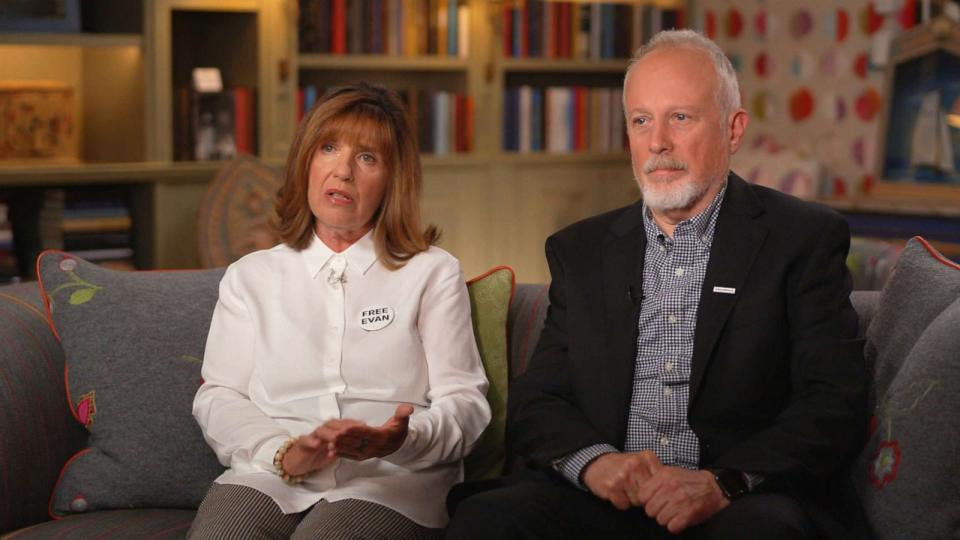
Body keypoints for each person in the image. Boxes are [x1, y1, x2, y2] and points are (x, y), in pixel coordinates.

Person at [446, 30, 867, 539]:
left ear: (733, 131)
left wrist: (722, 483)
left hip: (737, 501)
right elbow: (540, 401)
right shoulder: (581, 251)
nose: (657, 142)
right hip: (605, 501)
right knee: (487, 520)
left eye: (680, 118)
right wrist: (596, 465)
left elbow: (832, 401)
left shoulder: (802, 239)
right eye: (641, 121)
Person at [189, 82, 491, 539]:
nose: (343, 171)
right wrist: (281, 453)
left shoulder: (432, 273)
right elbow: (219, 395)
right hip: (271, 474)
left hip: (390, 481)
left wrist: (402, 439)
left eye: (367, 157)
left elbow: (465, 404)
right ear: (305, 162)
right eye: (329, 148)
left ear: (392, 180)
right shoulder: (250, 277)